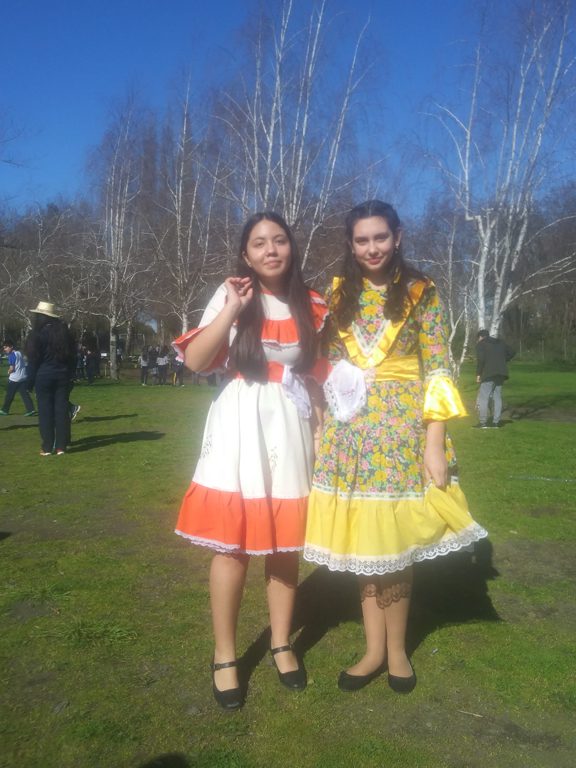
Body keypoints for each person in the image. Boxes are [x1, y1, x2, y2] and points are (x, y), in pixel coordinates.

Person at [304, 200, 488, 694]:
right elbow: (326, 364)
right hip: (353, 434)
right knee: (368, 545)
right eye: (362, 240)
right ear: (350, 244)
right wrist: (323, 422)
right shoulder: (337, 295)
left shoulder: (421, 292)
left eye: (380, 237)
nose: (372, 248)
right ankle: (372, 650)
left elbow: (439, 369)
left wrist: (435, 443)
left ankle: (398, 649)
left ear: (398, 237)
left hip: (403, 434)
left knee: (397, 546)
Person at [172, 212, 328, 710]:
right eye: (259, 243)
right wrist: (233, 309)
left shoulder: (312, 303)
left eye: (279, 240)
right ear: (246, 254)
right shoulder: (231, 294)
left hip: (290, 425)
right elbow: (196, 362)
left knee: (285, 544)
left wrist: (321, 427)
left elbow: (315, 373)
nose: (270, 250)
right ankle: (225, 655)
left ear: (291, 247)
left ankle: (281, 643)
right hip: (239, 424)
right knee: (232, 545)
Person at [25, 301, 76, 456]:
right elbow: (73, 357)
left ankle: (47, 447)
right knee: (61, 411)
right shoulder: (64, 333)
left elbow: (33, 360)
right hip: (62, 375)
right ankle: (61, 446)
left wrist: (29, 382)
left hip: (43, 376)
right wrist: (71, 375)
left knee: (45, 411)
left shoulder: (37, 334)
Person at [475, 330, 515, 428]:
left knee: (483, 397)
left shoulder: (481, 344)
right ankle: (496, 422)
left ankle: (483, 422)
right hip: (501, 373)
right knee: (497, 397)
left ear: (480, 337)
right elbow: (512, 352)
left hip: (488, 373)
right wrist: (504, 359)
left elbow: (481, 360)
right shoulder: (500, 342)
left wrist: (478, 374)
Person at [0, 339, 37, 416]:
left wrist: (8, 372)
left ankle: (4, 410)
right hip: (23, 377)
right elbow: (24, 362)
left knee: (9, 395)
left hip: (14, 379)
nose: (5, 349)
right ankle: (31, 410)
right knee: (25, 395)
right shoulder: (19, 353)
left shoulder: (11, 355)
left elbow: (12, 368)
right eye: (4, 348)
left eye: (6, 347)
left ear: (11, 347)